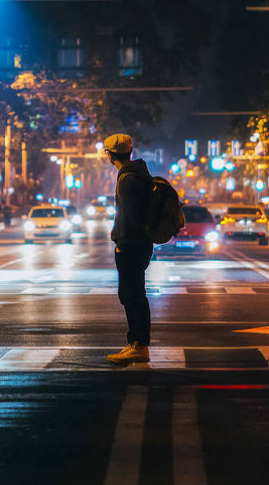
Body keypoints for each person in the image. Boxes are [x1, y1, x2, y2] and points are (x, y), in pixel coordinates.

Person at [103, 133, 154, 364]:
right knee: (132, 295)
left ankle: (139, 345)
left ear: (110, 154)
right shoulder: (135, 175)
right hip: (139, 244)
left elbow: (130, 217)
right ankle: (135, 343)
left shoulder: (128, 179)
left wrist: (122, 243)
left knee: (133, 296)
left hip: (132, 246)